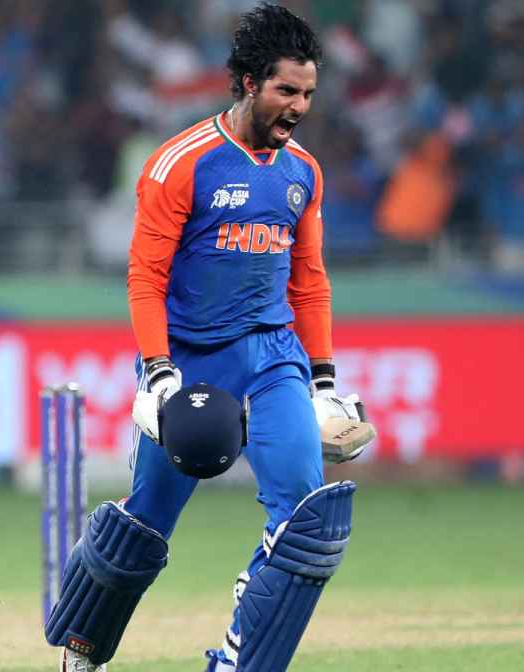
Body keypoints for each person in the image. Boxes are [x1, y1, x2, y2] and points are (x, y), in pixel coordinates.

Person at [44, 5, 370, 671]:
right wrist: (159, 371)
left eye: (308, 93)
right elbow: (146, 277)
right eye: (286, 90)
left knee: (308, 521)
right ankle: (83, 647)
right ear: (249, 83)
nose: (299, 107)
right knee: (146, 522)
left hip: (273, 358)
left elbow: (309, 281)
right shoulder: (181, 163)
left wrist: (324, 381)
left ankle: (237, 660)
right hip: (191, 363)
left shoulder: (303, 172)